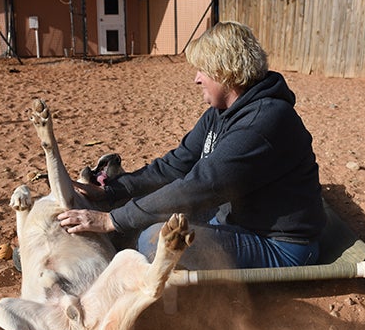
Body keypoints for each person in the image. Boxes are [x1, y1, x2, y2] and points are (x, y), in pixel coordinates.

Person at [57, 21, 326, 270]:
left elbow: (202, 185)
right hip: (233, 219)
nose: (196, 78)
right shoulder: (222, 111)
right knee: (142, 208)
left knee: (154, 238)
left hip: (280, 246)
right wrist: (112, 191)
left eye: (203, 70)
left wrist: (111, 220)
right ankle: (85, 248)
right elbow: (175, 165)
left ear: (226, 71)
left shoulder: (264, 121)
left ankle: (89, 261)